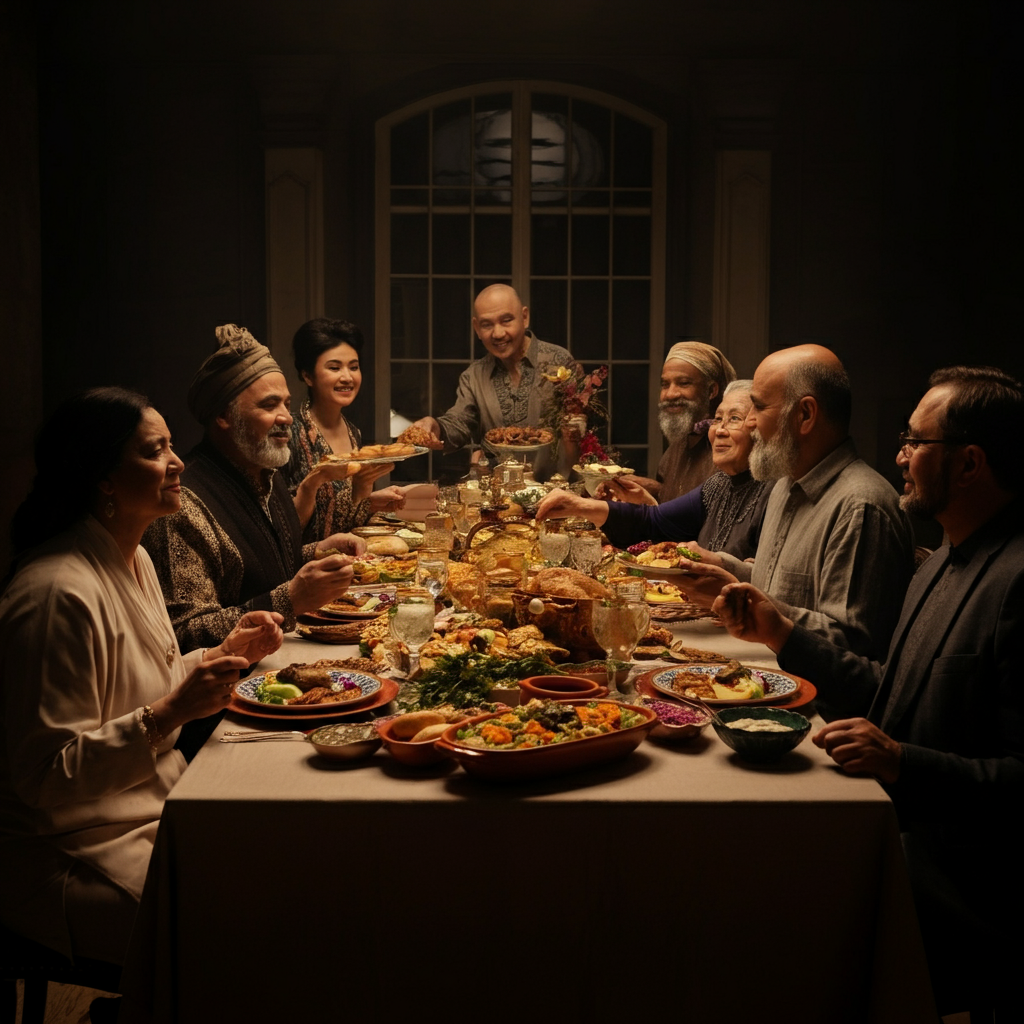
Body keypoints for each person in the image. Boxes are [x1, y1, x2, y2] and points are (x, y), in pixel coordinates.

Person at [712, 366, 1024, 1017]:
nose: (900, 457)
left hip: (964, 875)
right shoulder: (940, 561)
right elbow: (890, 690)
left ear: (970, 463)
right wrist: (781, 634)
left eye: (916, 442)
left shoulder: (1017, 579)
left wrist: (902, 761)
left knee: (768, 907)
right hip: (896, 826)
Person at [0, 388, 283, 966]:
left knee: (287, 869)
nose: (178, 463)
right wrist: (174, 712)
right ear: (104, 478)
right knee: (254, 929)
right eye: (154, 451)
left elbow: (140, 684)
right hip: (69, 850)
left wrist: (222, 653)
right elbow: (44, 779)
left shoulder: (135, 557)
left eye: (172, 446)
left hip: (148, 810)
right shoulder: (55, 592)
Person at [681, 344, 913, 660]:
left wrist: (753, 607)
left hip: (809, 691)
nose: (749, 422)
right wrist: (725, 570)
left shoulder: (860, 508)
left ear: (805, 415)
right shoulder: (784, 485)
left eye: (758, 408)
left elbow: (851, 648)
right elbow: (780, 590)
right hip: (760, 669)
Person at [143, 324, 365, 654]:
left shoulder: (265, 473)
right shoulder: (183, 501)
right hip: (241, 682)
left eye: (286, 404)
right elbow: (186, 635)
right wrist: (290, 599)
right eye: (269, 405)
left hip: (291, 656)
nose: (286, 417)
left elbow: (257, 566)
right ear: (223, 415)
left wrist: (319, 551)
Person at [537, 380, 772, 561]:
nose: (719, 430)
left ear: (762, 428)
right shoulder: (719, 484)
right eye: (718, 419)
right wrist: (579, 506)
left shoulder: (772, 493)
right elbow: (653, 521)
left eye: (734, 419)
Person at [411, 283, 576, 478]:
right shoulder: (474, 376)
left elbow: (585, 431)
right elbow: (459, 422)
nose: (498, 334)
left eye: (506, 321)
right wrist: (435, 426)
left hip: (557, 490)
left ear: (524, 317)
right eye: (487, 325)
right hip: (498, 492)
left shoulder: (559, 362)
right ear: (476, 328)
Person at [283, 317, 411, 542]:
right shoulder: (289, 433)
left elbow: (350, 523)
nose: (347, 377)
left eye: (354, 367)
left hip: (351, 556)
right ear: (307, 376)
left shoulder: (353, 432)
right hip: (310, 561)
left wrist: (367, 499)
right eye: (334, 368)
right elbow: (284, 529)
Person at [616, 340, 736, 503]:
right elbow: (676, 499)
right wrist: (655, 489)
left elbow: (706, 510)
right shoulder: (677, 447)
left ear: (711, 390)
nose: (670, 394)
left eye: (684, 383)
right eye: (665, 384)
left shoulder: (727, 447)